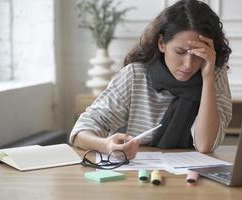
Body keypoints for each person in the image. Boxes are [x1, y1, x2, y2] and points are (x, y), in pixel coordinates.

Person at [70, 0, 232, 160]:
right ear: (162, 43)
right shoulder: (135, 75)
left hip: (190, 178)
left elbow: (206, 145)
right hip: (135, 176)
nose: (188, 65)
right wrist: (105, 145)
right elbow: (80, 131)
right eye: (180, 52)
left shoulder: (213, 75)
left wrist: (208, 78)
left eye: (197, 54)